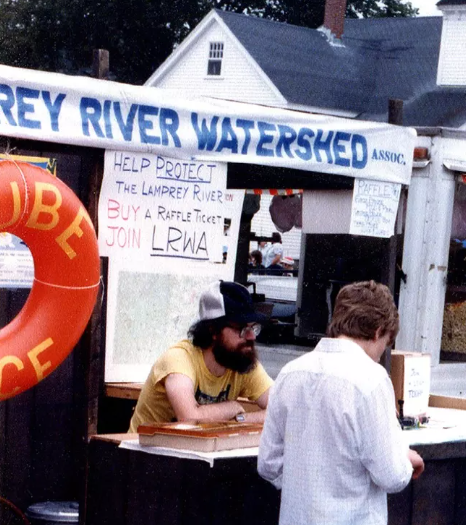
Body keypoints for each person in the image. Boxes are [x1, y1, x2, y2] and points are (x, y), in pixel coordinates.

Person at [258, 280, 424, 525]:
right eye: (385, 344)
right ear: (378, 330)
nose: (381, 355)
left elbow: (268, 464)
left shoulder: (289, 373)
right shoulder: (372, 378)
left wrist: (312, 486)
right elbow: (391, 476)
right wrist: (405, 458)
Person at [129, 281, 273, 431]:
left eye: (253, 328)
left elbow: (282, 409)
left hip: (194, 450)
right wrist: (232, 407)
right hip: (142, 451)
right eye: (242, 329)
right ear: (213, 330)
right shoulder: (179, 358)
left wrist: (240, 419)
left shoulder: (241, 359)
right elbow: (188, 419)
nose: (251, 337)